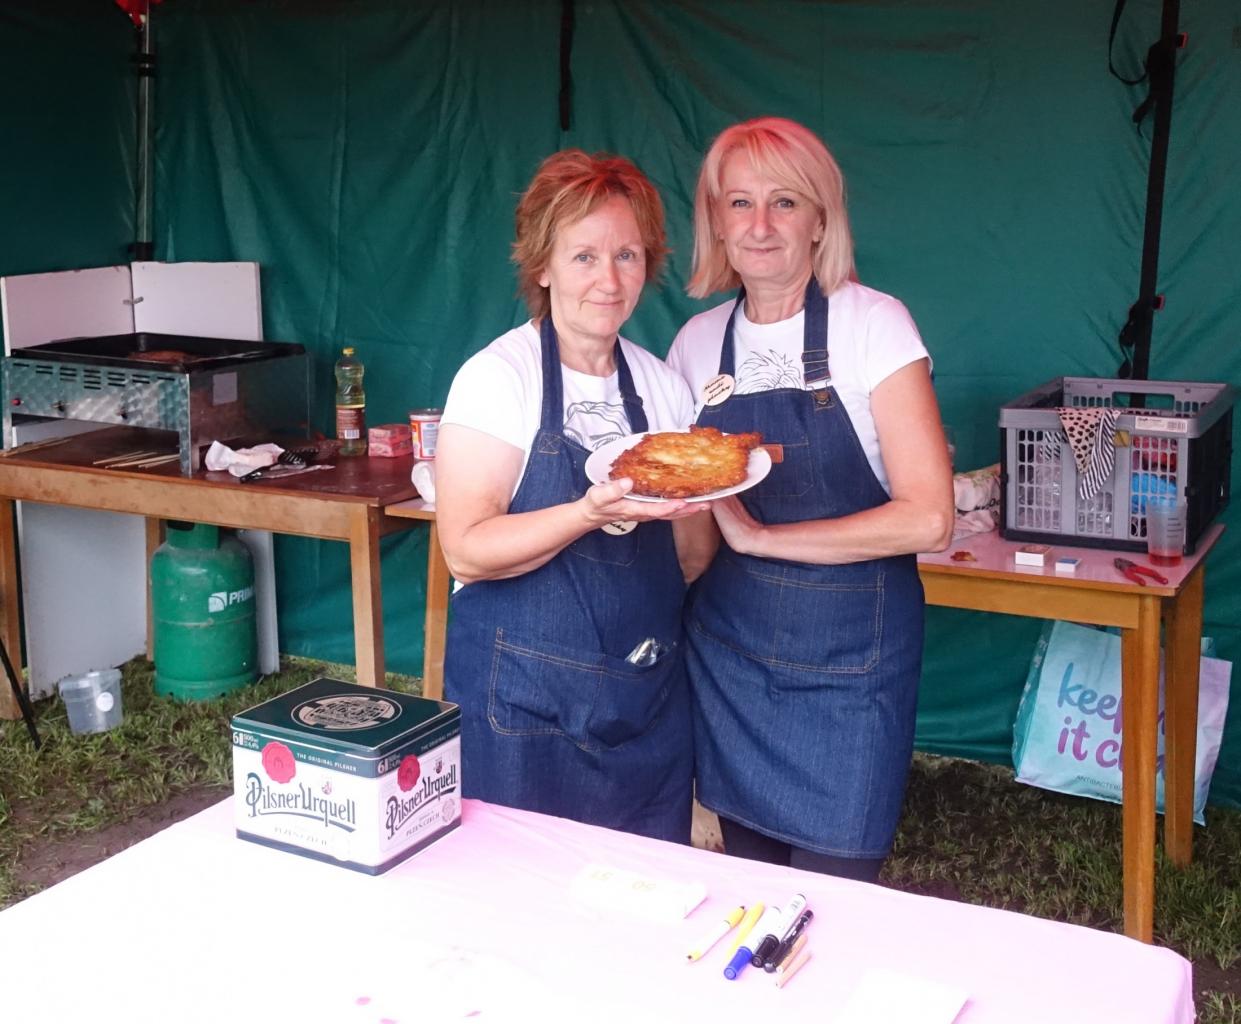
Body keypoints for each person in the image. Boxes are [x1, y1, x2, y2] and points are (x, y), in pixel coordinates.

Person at [666, 117, 954, 880]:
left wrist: (764, 539)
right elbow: (695, 532)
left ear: (820, 220)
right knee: (751, 885)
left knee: (836, 895)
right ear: (715, 222)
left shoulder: (873, 324)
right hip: (729, 658)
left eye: (784, 202)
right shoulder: (695, 345)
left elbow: (928, 517)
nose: (759, 225)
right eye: (739, 203)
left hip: (850, 666)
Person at [435, 149, 711, 843]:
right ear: (542, 265)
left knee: (647, 886)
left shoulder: (663, 388)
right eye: (584, 256)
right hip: (521, 704)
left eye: (627, 255)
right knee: (522, 888)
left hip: (640, 699)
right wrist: (588, 513)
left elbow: (689, 555)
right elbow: (466, 552)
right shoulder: (498, 378)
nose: (608, 280)